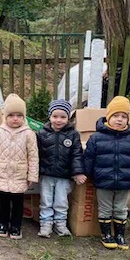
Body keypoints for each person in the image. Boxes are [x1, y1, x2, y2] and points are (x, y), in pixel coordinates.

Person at [84, 96, 130, 250]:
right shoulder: (96, 138)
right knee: (105, 209)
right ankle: (106, 235)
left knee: (120, 209)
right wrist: (84, 174)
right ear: (108, 117)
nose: (119, 120)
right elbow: (88, 159)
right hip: (103, 181)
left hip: (125, 182)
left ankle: (120, 235)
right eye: (116, 116)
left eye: (124, 116)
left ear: (128, 119)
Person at [0, 94, 38, 240]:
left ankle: (16, 226)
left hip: (19, 175)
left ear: (24, 117)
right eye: (11, 115)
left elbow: (33, 156)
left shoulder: (29, 134)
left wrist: (32, 176)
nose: (15, 118)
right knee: (3, 202)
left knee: (17, 203)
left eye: (19, 115)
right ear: (5, 116)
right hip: (3, 174)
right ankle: (3, 224)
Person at [36, 99, 86, 238]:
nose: (59, 120)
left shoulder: (73, 134)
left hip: (64, 175)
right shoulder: (41, 134)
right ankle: (45, 224)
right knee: (46, 200)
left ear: (68, 118)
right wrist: (35, 172)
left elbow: (77, 154)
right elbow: (37, 154)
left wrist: (78, 172)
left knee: (61, 201)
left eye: (63, 117)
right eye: (55, 116)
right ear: (50, 116)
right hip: (46, 174)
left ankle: (60, 223)